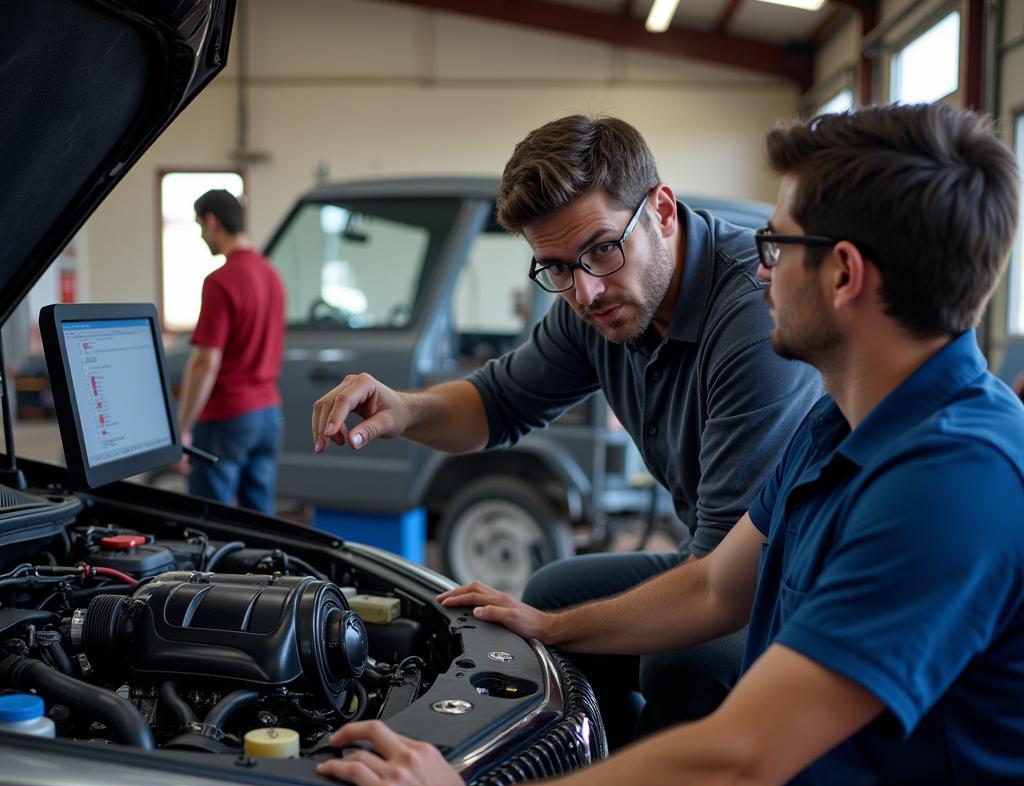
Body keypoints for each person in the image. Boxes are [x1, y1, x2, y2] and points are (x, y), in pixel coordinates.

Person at [316, 102, 1024, 786]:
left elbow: (733, 766)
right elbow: (711, 584)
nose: (758, 263)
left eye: (777, 245)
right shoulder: (845, 420)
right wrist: (546, 625)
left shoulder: (952, 484)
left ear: (843, 272)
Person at [312, 115, 822, 746]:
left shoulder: (753, 318)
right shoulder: (594, 301)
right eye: (554, 267)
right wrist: (406, 410)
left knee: (685, 660)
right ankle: (597, 765)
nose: (585, 290)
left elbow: (722, 582)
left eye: (604, 249)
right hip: (714, 559)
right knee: (556, 589)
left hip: (790, 578)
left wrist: (554, 629)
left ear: (662, 209)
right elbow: (497, 403)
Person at [177, 189, 286, 514]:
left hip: (227, 416)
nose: (201, 236)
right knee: (261, 519)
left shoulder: (220, 282)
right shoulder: (272, 274)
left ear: (212, 222)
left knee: (213, 522)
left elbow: (205, 363)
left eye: (199, 227)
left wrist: (183, 428)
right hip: (269, 415)